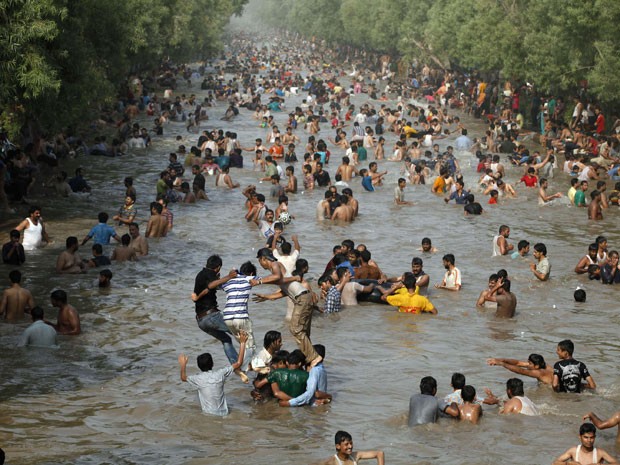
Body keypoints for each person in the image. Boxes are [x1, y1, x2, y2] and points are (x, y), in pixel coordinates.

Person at [253, 250, 322, 367]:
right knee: (303, 332)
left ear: (263, 259)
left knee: (295, 329)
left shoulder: (275, 264)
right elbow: (285, 291)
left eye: (259, 261)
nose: (260, 264)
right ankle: (309, 357)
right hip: (304, 297)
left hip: (302, 298)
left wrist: (259, 281)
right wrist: (267, 297)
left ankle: (314, 357)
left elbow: (276, 277)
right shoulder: (278, 271)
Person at [177, 331, 248, 416]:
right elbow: (239, 363)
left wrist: (183, 365)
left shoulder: (198, 379)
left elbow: (183, 377)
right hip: (224, 414)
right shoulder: (220, 374)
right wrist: (242, 343)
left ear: (199, 366)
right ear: (213, 364)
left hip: (209, 415)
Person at [191, 255, 239, 365]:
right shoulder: (210, 273)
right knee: (241, 333)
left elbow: (212, 287)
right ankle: (249, 363)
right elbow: (211, 285)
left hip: (201, 321)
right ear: (218, 267)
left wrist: (219, 279)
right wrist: (229, 276)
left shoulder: (200, 274)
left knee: (226, 339)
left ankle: (236, 365)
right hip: (211, 316)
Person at [552, 423, 617, 465]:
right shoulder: (574, 451)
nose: (589, 440)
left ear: (595, 437)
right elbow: (554, 463)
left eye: (591, 437)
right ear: (580, 437)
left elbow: (616, 463)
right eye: (586, 437)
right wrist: (568, 463)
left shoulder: (599, 453)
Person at [319, 430, 385, 465]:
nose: (350, 446)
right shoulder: (331, 461)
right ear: (338, 446)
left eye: (351, 443)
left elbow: (379, 453)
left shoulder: (355, 456)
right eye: (346, 444)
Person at [487, 353, 554, 385]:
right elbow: (518, 363)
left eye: (529, 363)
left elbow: (521, 371)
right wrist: (500, 360)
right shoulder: (541, 365)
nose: (527, 364)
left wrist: (502, 364)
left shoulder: (540, 372)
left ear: (536, 366)